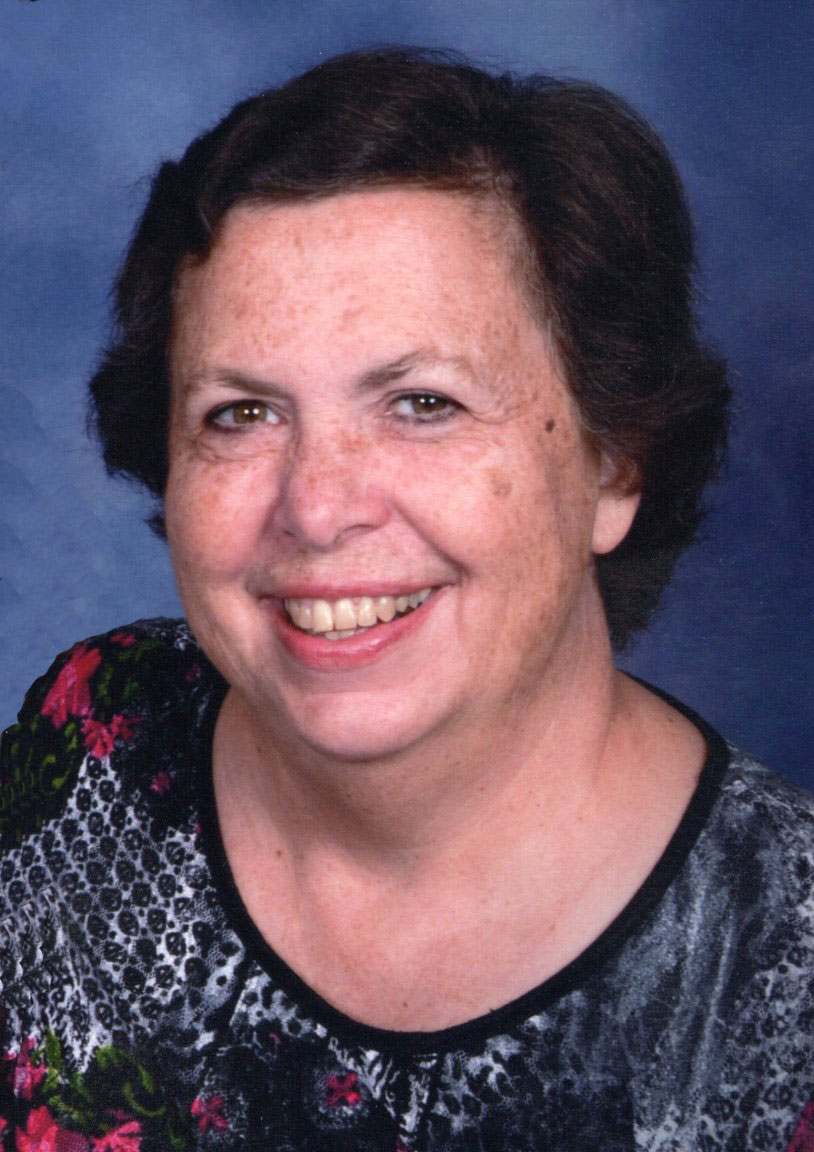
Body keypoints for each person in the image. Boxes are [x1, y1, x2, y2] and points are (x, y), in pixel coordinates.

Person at [1, 48, 811, 1152]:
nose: (317, 508)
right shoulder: (96, 742)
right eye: (241, 414)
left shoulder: (786, 972)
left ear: (615, 463)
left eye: (423, 403)